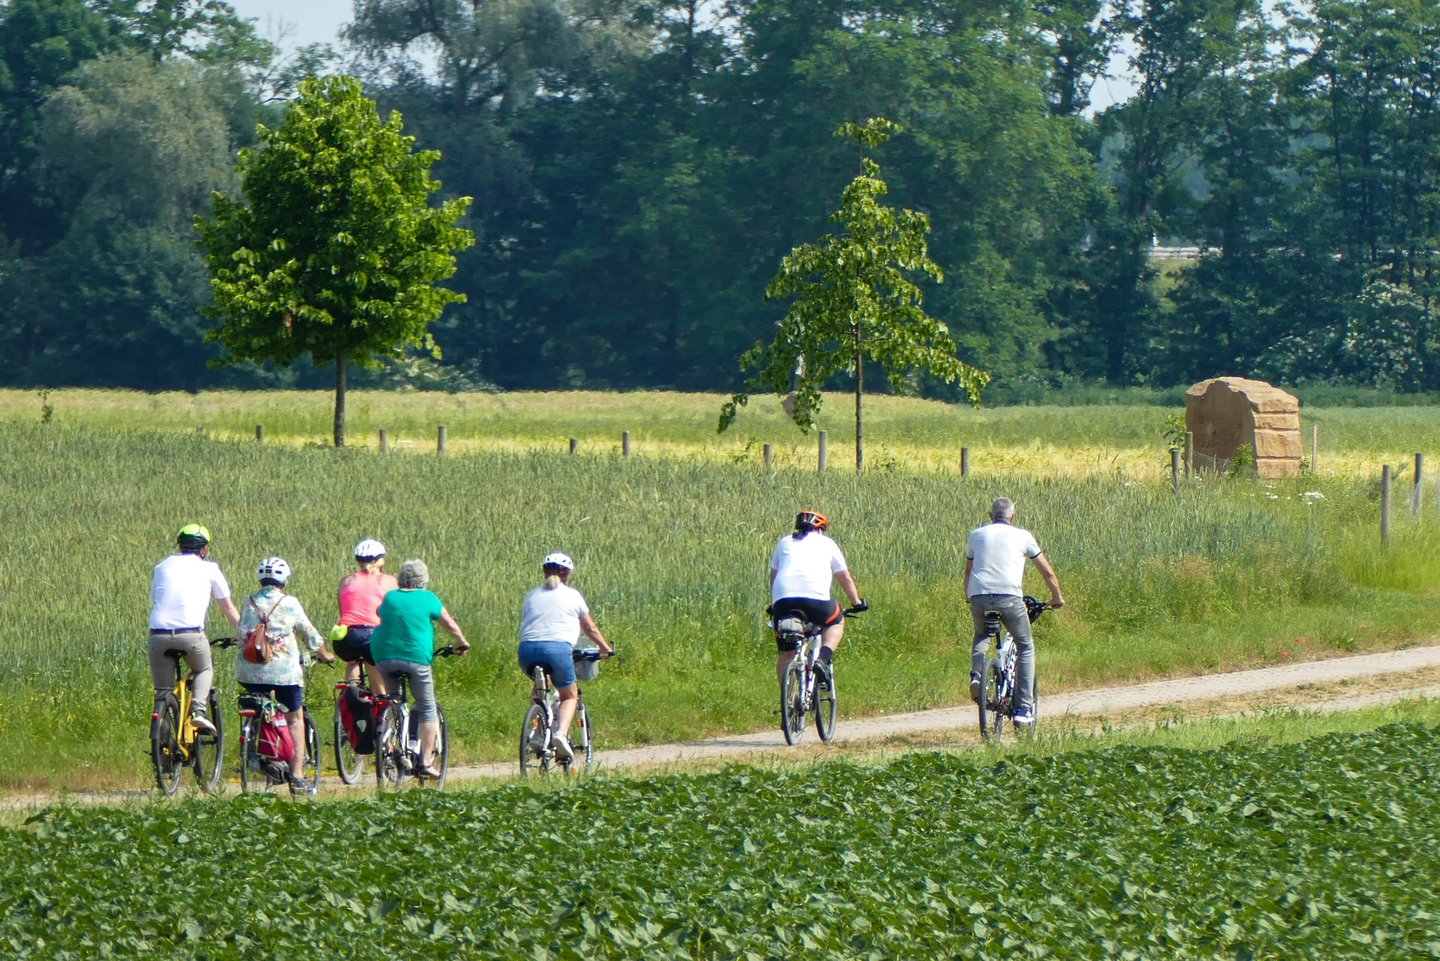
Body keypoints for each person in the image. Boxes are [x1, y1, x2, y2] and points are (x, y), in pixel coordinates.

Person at [235, 556, 336, 796]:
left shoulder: (248, 601)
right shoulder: (289, 602)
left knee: (259, 708)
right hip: (284, 674)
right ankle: (298, 776)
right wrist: (324, 653)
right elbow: (308, 634)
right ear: (284, 579)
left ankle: (254, 753)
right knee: (294, 718)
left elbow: (241, 632)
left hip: (248, 671)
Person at [964, 497, 1066, 725]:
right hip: (1009, 597)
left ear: (990, 516)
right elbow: (1047, 572)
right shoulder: (1023, 536)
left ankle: (976, 674)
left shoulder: (976, 535)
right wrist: (1057, 597)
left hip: (979, 594)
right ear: (1013, 516)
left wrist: (968, 597)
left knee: (982, 635)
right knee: (1026, 645)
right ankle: (1023, 708)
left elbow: (968, 571)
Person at [371, 559, 470, 779]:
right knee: (427, 707)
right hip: (415, 659)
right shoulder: (428, 598)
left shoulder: (390, 596)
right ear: (423, 580)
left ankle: (389, 741)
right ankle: (425, 762)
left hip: (383, 656)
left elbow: (381, 614)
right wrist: (461, 642)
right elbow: (449, 624)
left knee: (394, 699)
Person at [517, 552, 613, 762]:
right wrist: (606, 649)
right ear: (567, 574)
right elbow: (590, 628)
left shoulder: (531, 595)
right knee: (569, 695)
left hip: (526, 651)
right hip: (558, 650)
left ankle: (538, 728)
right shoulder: (572, 595)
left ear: (544, 571)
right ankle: (560, 735)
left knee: (541, 686)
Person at [148, 523, 241, 735]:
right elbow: (228, 607)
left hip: (158, 635)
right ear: (204, 549)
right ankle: (198, 710)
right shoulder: (210, 569)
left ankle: (162, 740)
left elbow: (155, 599)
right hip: (190, 634)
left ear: (180, 545)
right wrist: (246, 633)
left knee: (163, 691)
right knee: (203, 669)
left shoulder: (161, 566)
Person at [768, 510, 865, 688]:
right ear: (820, 529)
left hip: (783, 603)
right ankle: (822, 659)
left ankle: (788, 702)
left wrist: (774, 604)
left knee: (785, 653)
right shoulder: (827, 543)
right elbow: (845, 578)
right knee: (836, 620)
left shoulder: (784, 542)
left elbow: (773, 577)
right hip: (817, 603)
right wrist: (857, 602)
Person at [333, 538, 398, 694]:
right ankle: (383, 707)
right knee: (374, 667)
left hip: (344, 638)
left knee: (352, 662)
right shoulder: (389, 581)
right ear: (379, 560)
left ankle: (348, 701)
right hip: (371, 635)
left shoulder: (346, 581)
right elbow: (394, 613)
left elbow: (343, 612)